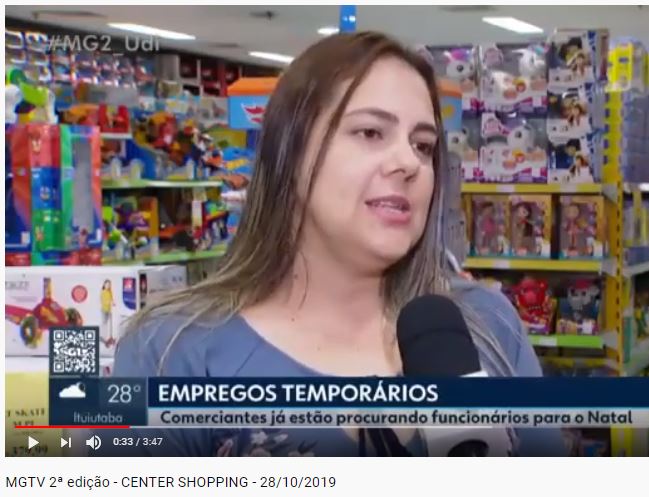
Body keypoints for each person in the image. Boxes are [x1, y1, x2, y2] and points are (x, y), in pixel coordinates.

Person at [111, 32, 566, 457]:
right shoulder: (172, 350)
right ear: (290, 153)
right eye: (370, 133)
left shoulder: (488, 325)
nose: (408, 162)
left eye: (423, 146)